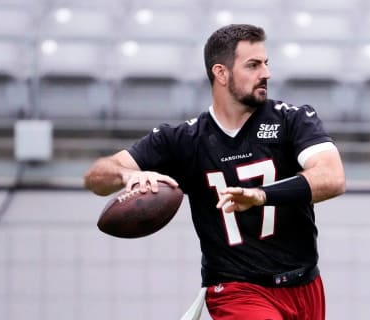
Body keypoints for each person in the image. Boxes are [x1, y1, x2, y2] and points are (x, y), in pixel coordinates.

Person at [83, 24, 346, 320]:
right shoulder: (182, 139)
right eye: (253, 65)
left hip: (305, 285)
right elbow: (96, 176)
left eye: (266, 64)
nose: (266, 74)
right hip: (236, 290)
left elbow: (332, 177)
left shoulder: (293, 119)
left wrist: (260, 195)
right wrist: (126, 176)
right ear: (221, 73)